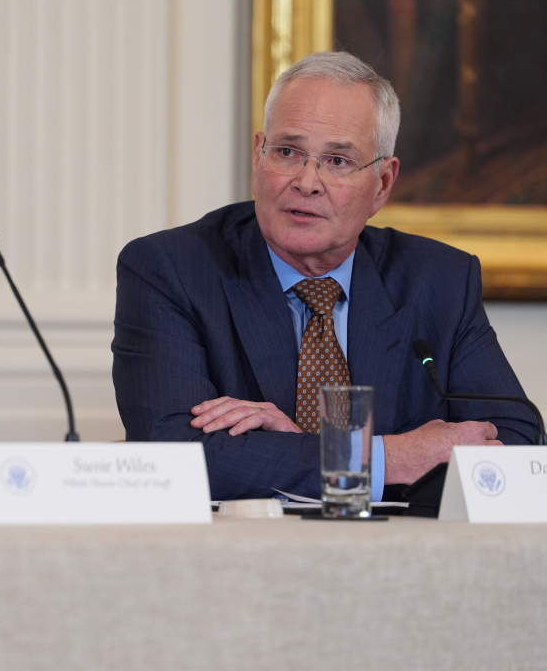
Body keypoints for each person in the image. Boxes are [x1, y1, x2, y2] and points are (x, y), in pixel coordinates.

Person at [112, 51, 537, 501]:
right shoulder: (170, 269)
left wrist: (304, 448)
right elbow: (173, 456)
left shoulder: (439, 280)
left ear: (383, 184)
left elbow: (516, 443)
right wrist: (384, 458)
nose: (307, 181)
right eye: (288, 152)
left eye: (337, 161)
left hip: (400, 558)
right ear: (258, 157)